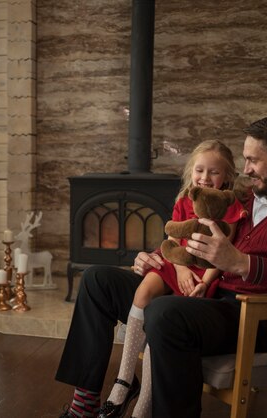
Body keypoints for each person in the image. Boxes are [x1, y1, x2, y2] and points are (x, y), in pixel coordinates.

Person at [56, 115, 267, 418]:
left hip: (255, 315)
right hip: (203, 293)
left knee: (165, 312)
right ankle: (85, 404)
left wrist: (243, 264)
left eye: (253, 160)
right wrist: (157, 256)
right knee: (97, 280)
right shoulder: (243, 198)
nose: (246, 169)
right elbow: (194, 235)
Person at [101, 140, 245, 418]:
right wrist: (179, 268)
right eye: (200, 170)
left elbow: (225, 252)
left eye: (214, 172)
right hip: (176, 263)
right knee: (144, 292)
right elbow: (172, 236)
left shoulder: (231, 207)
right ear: (191, 172)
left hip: (205, 272)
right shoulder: (183, 200)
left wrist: (205, 282)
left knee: (162, 322)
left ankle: (145, 401)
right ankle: (123, 381)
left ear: (227, 176)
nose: (205, 178)